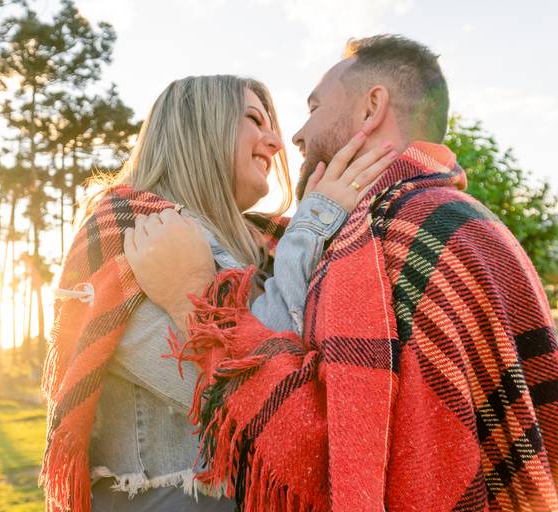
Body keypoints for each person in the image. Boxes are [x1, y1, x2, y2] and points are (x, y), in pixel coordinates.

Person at [125, 35, 558, 510]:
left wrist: (194, 294)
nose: (291, 136)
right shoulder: (401, 223)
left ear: (372, 107)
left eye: (312, 107)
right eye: (254, 120)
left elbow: (311, 433)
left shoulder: (400, 231)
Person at [38, 74, 397, 511]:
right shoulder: (133, 236)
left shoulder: (256, 243)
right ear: (199, 128)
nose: (276, 143)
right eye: (253, 119)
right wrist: (314, 222)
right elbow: (252, 388)